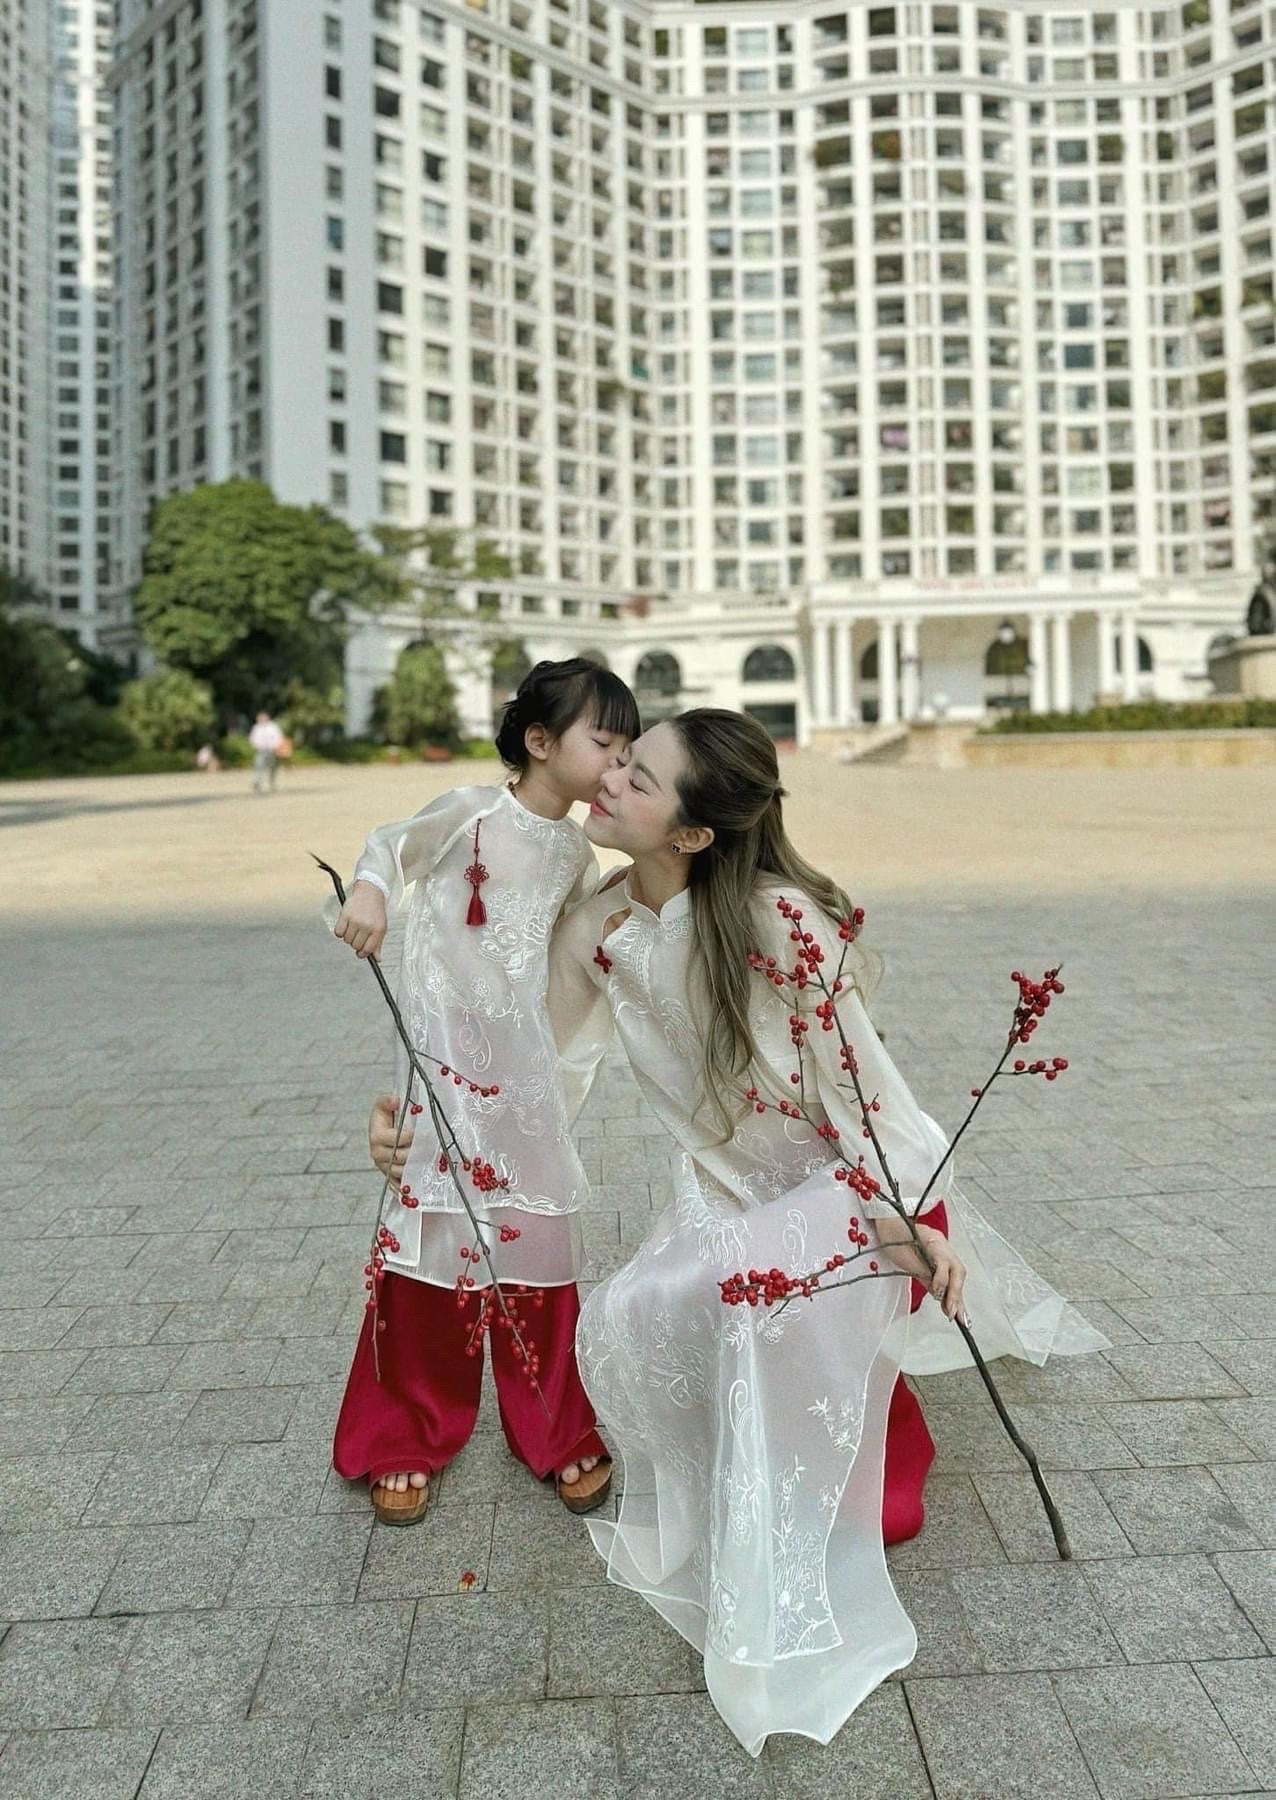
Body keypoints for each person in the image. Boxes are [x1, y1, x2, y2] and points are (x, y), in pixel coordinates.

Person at [371, 708, 1107, 1752]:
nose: (611, 781)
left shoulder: (779, 923)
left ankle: (878, 1409)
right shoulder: (603, 927)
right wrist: (416, 1121)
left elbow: (869, 1097)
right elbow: (510, 1052)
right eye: (618, 760)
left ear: (692, 834)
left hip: (860, 1192)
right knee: (642, 1309)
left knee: (873, 1514)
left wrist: (897, 1220)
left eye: (640, 777)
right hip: (726, 1191)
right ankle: (838, 1402)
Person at [328, 658, 641, 1526]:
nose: (617, 764)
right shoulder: (469, 812)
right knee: (428, 1244)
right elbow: (390, 845)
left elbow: (574, 961)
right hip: (439, 1067)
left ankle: (552, 1422)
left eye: (627, 749)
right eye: (604, 743)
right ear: (539, 742)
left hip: (522, 1076)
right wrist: (369, 892)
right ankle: (407, 1427)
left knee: (536, 1239)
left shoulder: (577, 853)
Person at [249, 710, 284, 793]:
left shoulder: (273, 727)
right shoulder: (256, 728)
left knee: (273, 768)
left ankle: (272, 783)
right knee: (258, 766)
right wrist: (257, 746)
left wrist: (276, 746)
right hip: (261, 750)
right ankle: (257, 782)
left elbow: (279, 737)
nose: (262, 719)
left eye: (263, 717)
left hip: (272, 750)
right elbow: (253, 739)